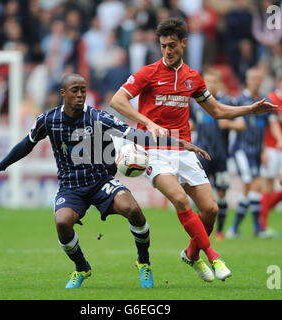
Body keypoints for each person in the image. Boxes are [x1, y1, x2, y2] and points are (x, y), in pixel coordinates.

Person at [0, 73, 209, 289]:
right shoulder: (49, 119)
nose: (80, 95)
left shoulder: (97, 117)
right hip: (71, 187)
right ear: (63, 93)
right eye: (75, 90)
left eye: (83, 90)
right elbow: (25, 145)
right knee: (62, 223)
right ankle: (81, 268)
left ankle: (144, 263)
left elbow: (135, 135)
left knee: (133, 209)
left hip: (100, 182)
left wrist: (178, 144)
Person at [110, 18, 277, 282]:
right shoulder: (147, 73)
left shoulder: (193, 78)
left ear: (184, 43)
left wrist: (250, 109)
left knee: (210, 210)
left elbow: (218, 110)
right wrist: (148, 122)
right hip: (153, 149)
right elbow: (117, 100)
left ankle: (191, 253)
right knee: (179, 198)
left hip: (183, 150)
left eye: (172, 45)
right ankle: (213, 256)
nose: (167, 50)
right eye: (163, 46)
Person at [190, 68, 246, 241]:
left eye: (213, 81)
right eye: (207, 82)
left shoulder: (228, 101)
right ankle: (199, 231)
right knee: (198, 194)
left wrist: (228, 124)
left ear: (219, 83)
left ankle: (220, 231)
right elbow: (191, 123)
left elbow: (242, 125)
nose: (210, 85)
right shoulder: (195, 103)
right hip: (201, 154)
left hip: (221, 156)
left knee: (221, 193)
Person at [225, 68, 282, 238]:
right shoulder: (240, 100)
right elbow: (228, 121)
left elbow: (271, 124)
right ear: (247, 80)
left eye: (259, 78)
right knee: (255, 185)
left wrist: (278, 140)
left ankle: (236, 229)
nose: (257, 81)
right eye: (254, 78)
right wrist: (234, 125)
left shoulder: (264, 101)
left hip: (257, 152)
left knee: (250, 190)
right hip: (242, 151)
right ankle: (257, 228)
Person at [259, 72, 282, 236]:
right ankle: (262, 225)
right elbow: (264, 126)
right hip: (273, 148)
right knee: (268, 185)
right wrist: (264, 148)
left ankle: (261, 218)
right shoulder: (271, 99)